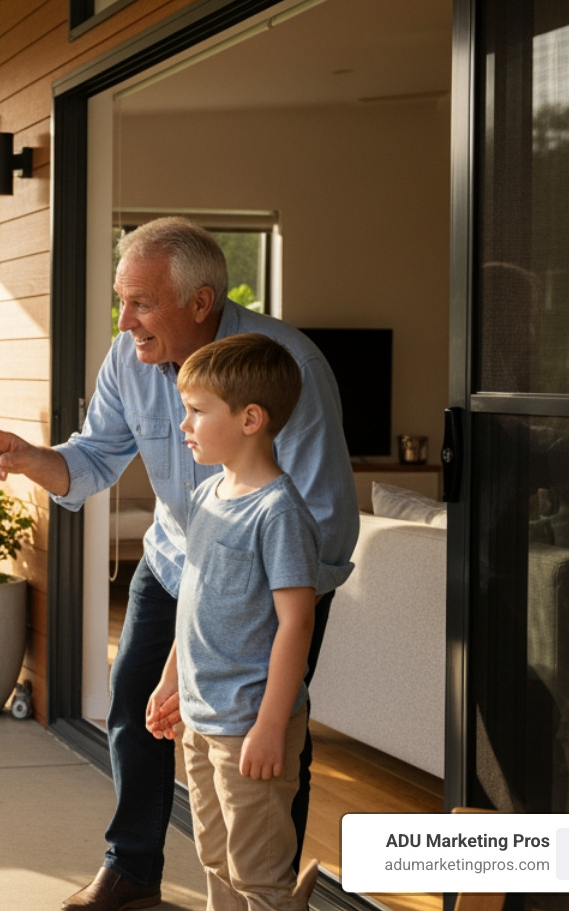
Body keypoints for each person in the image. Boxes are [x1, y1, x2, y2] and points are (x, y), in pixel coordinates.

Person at [0, 217, 357, 911]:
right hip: (182, 555)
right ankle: (133, 868)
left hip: (270, 581)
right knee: (136, 706)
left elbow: (322, 518)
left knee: (262, 738)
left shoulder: (285, 366)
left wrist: (261, 623)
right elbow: (92, 461)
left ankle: (267, 883)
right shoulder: (129, 359)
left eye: (141, 303)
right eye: (123, 301)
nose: (125, 322)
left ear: (201, 302)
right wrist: (32, 459)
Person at [145, 333, 328, 911]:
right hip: (202, 719)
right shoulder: (207, 496)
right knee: (215, 858)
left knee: (257, 872)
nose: (185, 424)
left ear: (251, 418)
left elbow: (297, 623)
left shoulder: (278, 512)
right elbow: (194, 601)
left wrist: (272, 726)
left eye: (197, 411)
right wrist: (171, 678)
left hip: (249, 722)